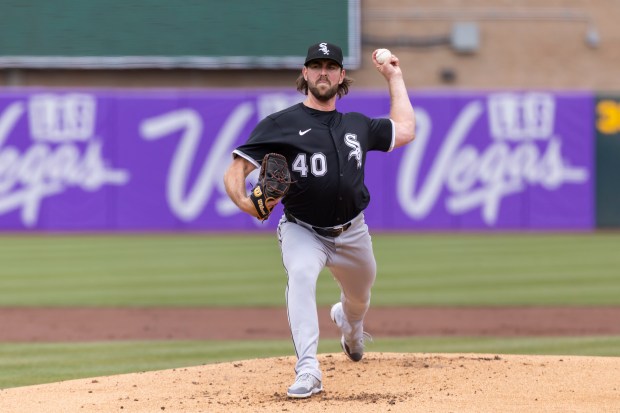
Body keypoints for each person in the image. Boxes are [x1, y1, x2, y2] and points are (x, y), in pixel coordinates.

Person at [223, 42, 415, 398]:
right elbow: (237, 170)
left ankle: (351, 327)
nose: (322, 72)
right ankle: (308, 369)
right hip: (302, 229)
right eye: (316, 65)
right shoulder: (281, 124)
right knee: (301, 274)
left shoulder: (357, 125)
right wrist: (247, 204)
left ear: (342, 76)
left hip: (353, 231)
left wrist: (394, 76)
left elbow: (405, 129)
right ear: (304, 73)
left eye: (330, 66)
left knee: (359, 297)